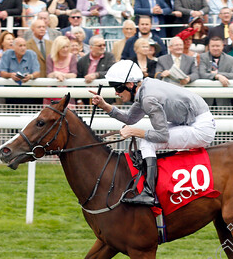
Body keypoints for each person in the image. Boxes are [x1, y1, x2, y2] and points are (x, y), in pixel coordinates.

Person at [89, 59, 217, 207]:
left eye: (118, 88)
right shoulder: (145, 87)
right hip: (193, 120)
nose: (116, 93)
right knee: (148, 140)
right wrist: (104, 105)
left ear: (130, 85)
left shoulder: (148, 98)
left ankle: (149, 193)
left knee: (148, 142)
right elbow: (130, 118)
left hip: (200, 128)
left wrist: (134, 132)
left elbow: (162, 136)